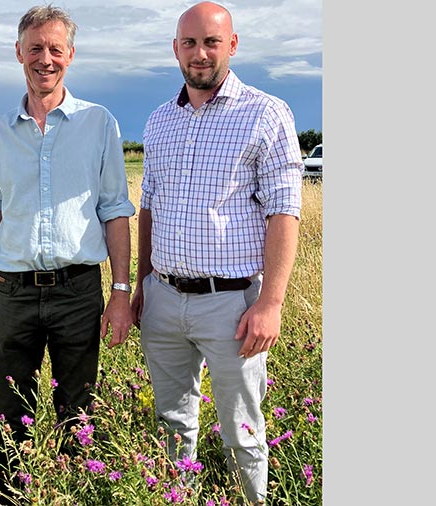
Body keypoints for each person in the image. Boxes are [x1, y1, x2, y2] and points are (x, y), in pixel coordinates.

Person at [129, 2, 304, 504]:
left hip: (233, 305)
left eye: (211, 41)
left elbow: (284, 212)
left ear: (232, 44)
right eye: (189, 43)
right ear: (175, 49)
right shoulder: (161, 120)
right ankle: (177, 497)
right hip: (162, 299)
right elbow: (150, 212)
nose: (199, 53)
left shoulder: (266, 113)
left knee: (242, 429)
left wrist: (269, 304)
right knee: (172, 423)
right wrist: (142, 285)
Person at [0, 3, 136, 478]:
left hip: (77, 291)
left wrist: (120, 294)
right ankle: (8, 490)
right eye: (35, 48)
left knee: (78, 413)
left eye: (55, 49)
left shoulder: (99, 123)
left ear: (71, 55)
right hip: (13, 294)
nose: (46, 58)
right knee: (9, 412)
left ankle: (74, 488)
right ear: (18, 52)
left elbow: (115, 213)